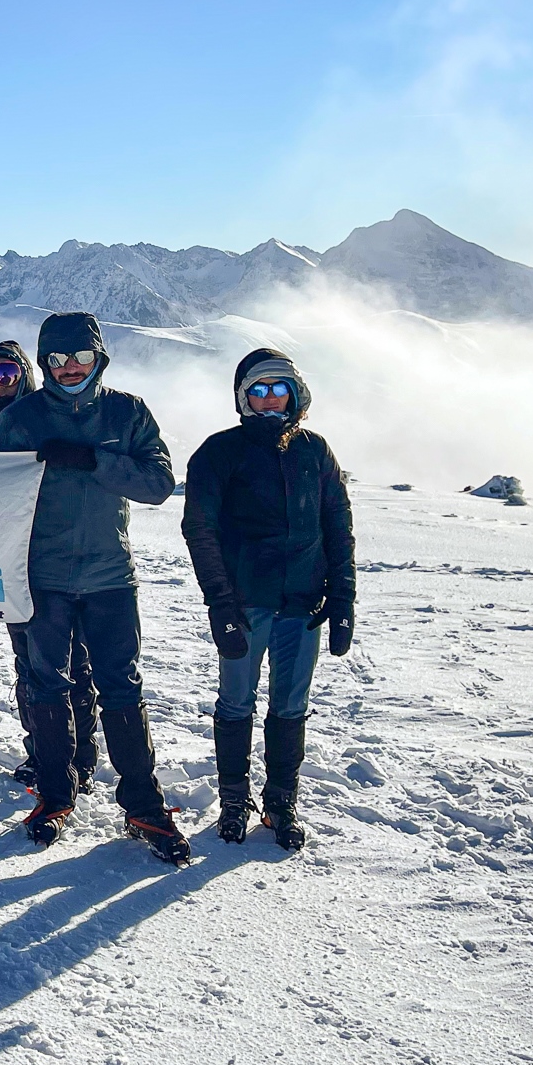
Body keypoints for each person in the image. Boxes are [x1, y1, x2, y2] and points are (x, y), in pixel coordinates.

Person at [0, 312, 188, 862]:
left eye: (80, 357)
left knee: (121, 687)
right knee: (46, 685)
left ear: (99, 358)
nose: (69, 368)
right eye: (56, 359)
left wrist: (96, 460)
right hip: (43, 577)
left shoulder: (126, 412)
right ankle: (55, 797)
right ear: (44, 363)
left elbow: (159, 484)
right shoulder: (22, 417)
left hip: (108, 577)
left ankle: (144, 806)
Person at [181, 349, 355, 851]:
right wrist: (221, 604)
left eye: (278, 388)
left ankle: (281, 802)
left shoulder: (315, 451)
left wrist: (342, 597)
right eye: (257, 390)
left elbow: (338, 526)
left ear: (296, 395)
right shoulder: (220, 452)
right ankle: (235, 800)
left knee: (290, 705)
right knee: (236, 702)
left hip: (303, 603)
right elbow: (200, 529)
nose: (268, 398)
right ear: (242, 398)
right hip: (244, 603)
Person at [0, 341, 98, 796]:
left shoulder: (54, 415)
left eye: (7, 376)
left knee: (74, 659)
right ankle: (43, 751)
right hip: (11, 563)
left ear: (26, 374)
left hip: (63, 556)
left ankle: (82, 755)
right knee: (30, 662)